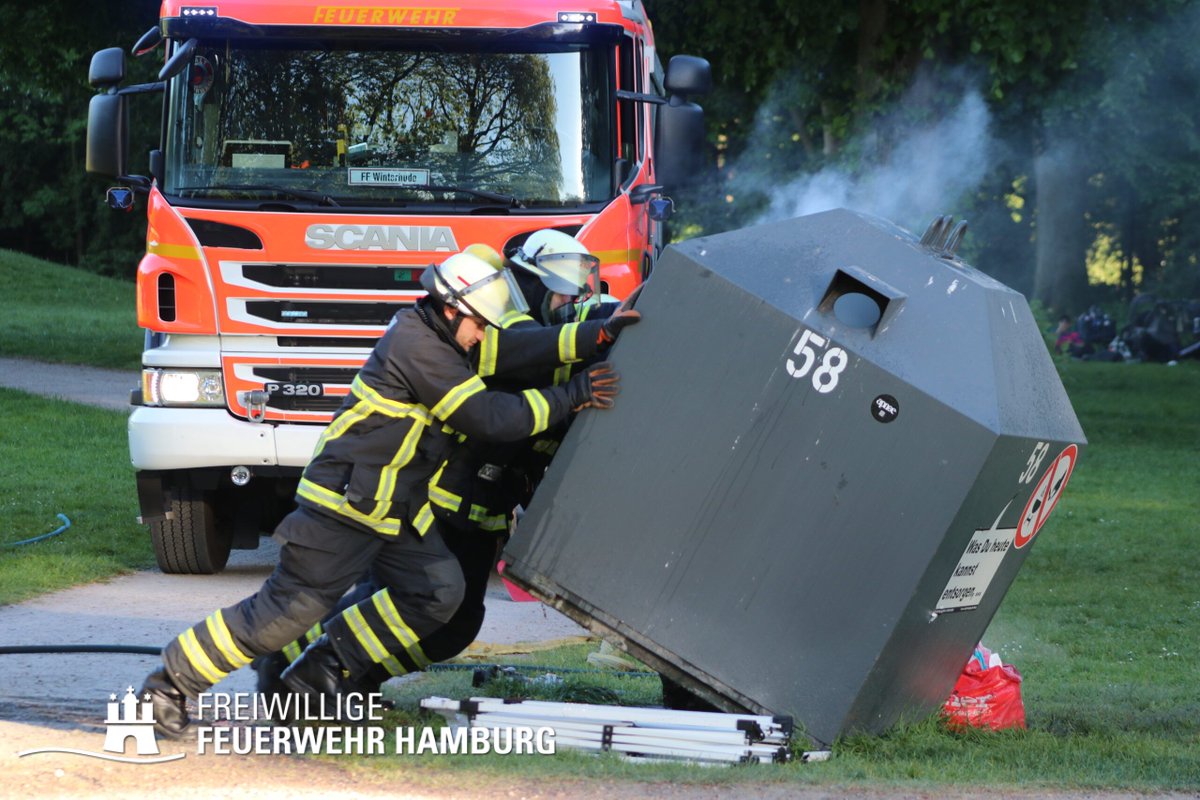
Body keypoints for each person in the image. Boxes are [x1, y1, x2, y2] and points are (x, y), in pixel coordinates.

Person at [138, 249, 621, 737]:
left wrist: (597, 333)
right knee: (282, 613)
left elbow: (517, 350)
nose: (483, 335)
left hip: (394, 508)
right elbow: (489, 417)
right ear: (452, 308)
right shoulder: (417, 343)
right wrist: (573, 394)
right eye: (479, 324)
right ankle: (168, 685)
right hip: (345, 504)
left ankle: (320, 673)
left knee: (438, 592)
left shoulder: (453, 338)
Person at [264, 233, 642, 704]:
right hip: (439, 502)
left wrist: (618, 323)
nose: (573, 299)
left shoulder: (533, 332)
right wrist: (591, 345)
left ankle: (356, 679)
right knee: (402, 601)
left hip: (484, 512)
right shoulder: (494, 332)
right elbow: (530, 354)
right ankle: (293, 660)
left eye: (579, 290)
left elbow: (571, 336)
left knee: (456, 625)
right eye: (563, 288)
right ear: (529, 281)